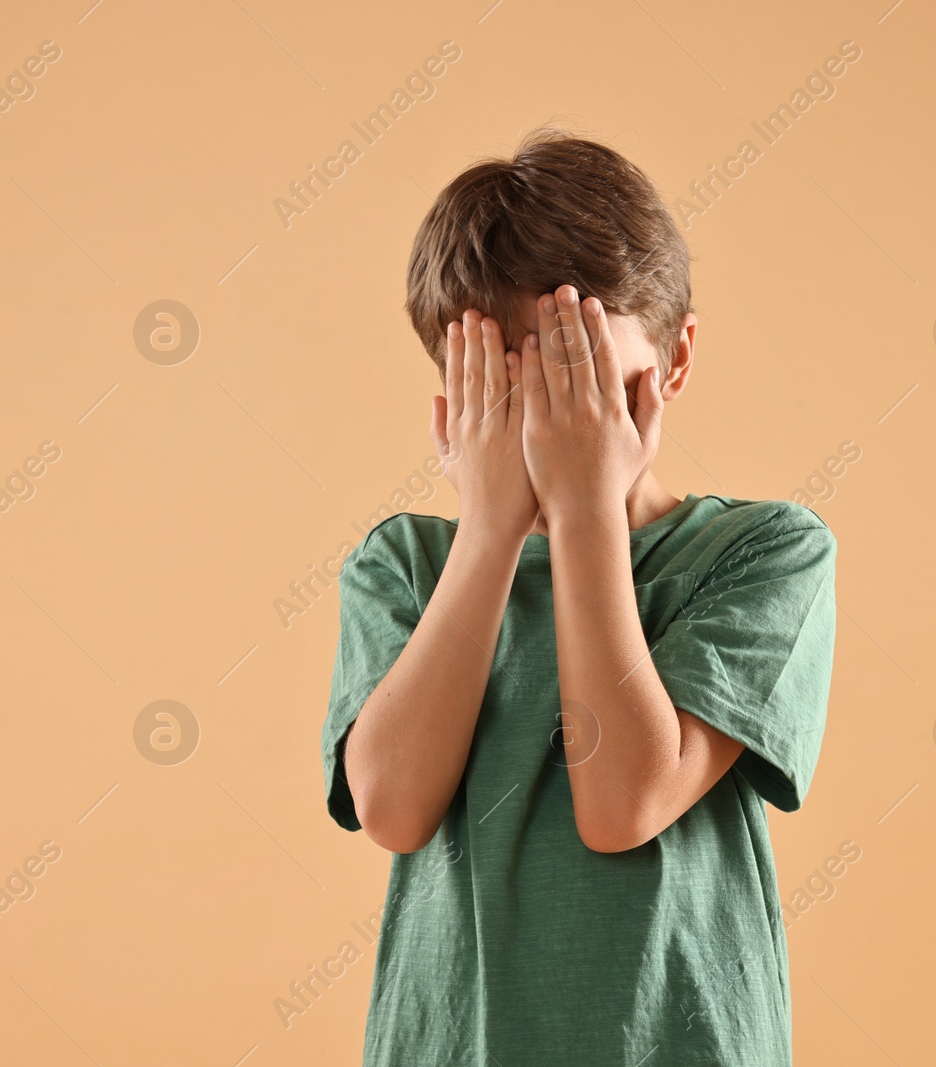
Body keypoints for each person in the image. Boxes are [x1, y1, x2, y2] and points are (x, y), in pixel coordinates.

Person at [320, 127, 839, 1065]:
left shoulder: (762, 551)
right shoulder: (404, 564)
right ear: (455, 397)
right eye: (514, 386)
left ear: (673, 362)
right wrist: (485, 533)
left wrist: (586, 506)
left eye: (583, 376)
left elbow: (624, 800)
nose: (555, 419)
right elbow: (392, 805)